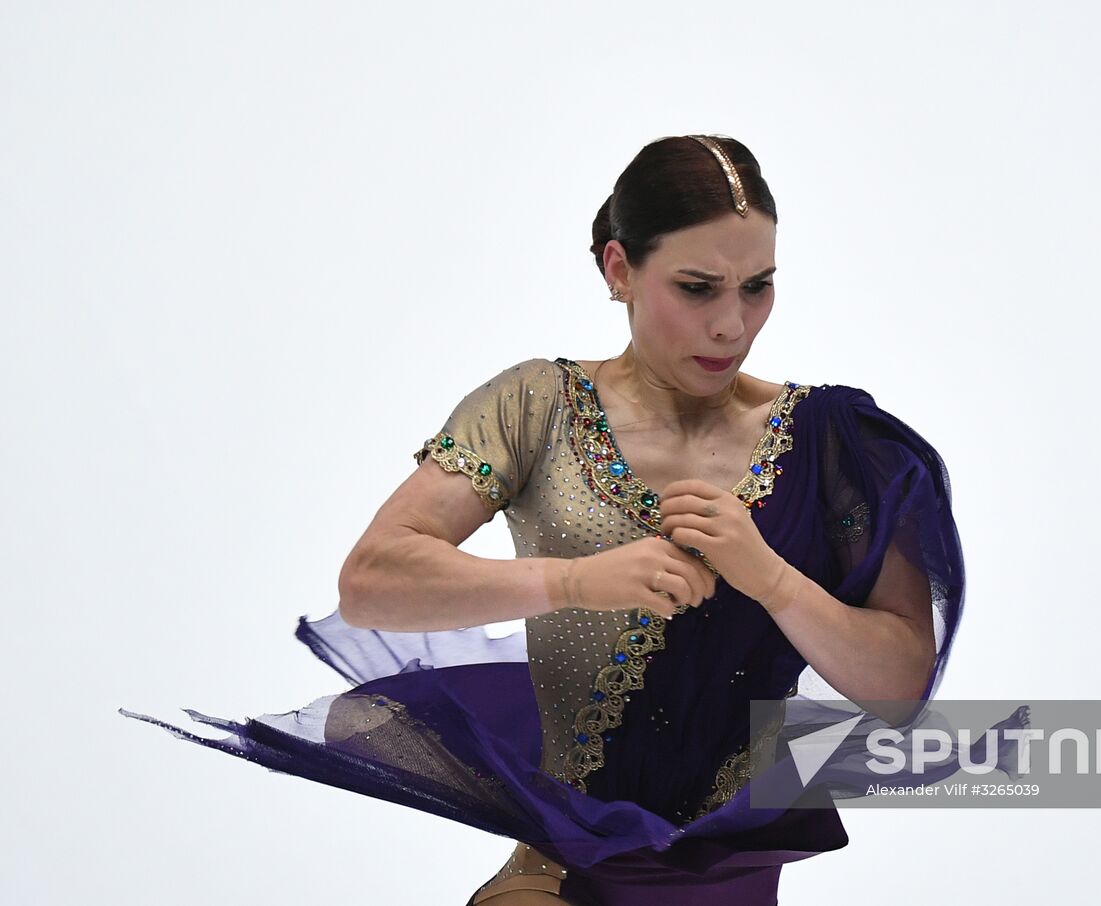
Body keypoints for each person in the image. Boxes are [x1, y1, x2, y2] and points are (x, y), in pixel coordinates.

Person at [120, 134, 972, 905]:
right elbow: (373, 580)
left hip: (730, 868)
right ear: (618, 269)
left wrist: (776, 581)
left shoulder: (838, 443)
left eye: (759, 287)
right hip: (559, 861)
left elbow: (898, 691)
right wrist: (571, 580)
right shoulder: (537, 406)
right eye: (697, 288)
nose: (731, 323)